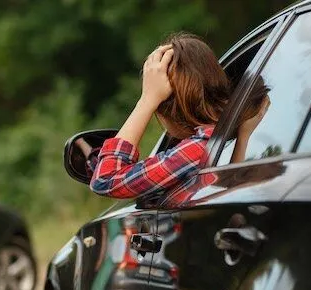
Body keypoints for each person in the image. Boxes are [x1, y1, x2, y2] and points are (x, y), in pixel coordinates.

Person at [89, 32, 270, 199]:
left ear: (165, 108)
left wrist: (147, 101)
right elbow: (228, 192)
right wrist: (243, 137)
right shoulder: (217, 141)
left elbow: (105, 180)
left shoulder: (197, 149)